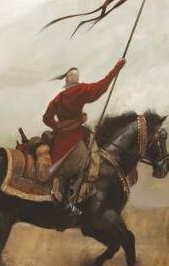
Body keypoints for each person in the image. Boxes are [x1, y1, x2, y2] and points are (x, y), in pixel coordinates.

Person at [43, 59, 126, 216]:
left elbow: (46, 118)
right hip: (74, 138)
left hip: (60, 138)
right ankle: (68, 203)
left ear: (67, 81)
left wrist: (59, 127)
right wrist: (117, 68)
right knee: (86, 161)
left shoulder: (58, 97)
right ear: (76, 79)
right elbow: (101, 87)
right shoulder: (79, 90)